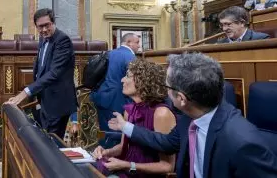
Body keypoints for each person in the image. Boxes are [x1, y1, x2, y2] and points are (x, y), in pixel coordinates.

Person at [108, 53, 277, 178]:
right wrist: (126, 127)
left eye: (167, 86)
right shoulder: (191, 117)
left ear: (181, 99)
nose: (164, 91)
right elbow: (166, 142)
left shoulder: (242, 143)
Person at [93, 59, 176, 178]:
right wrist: (105, 152)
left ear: (143, 81)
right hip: (128, 171)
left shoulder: (161, 114)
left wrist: (127, 165)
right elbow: (122, 147)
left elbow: (167, 166)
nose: (122, 80)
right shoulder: (129, 110)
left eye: (127, 76)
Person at [6, 8, 77, 139]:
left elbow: (54, 73)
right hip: (44, 99)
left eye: (47, 25)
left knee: (52, 145)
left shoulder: (63, 40)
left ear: (53, 22)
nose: (44, 30)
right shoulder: (42, 38)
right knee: (45, 141)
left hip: (58, 102)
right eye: (40, 27)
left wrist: (24, 93)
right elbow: (41, 69)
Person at [90, 33, 140, 148]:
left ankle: (101, 148)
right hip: (117, 101)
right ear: (128, 42)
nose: (138, 46)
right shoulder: (130, 57)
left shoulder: (108, 53)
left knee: (102, 129)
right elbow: (135, 81)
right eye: (137, 43)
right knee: (115, 131)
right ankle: (111, 156)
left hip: (100, 97)